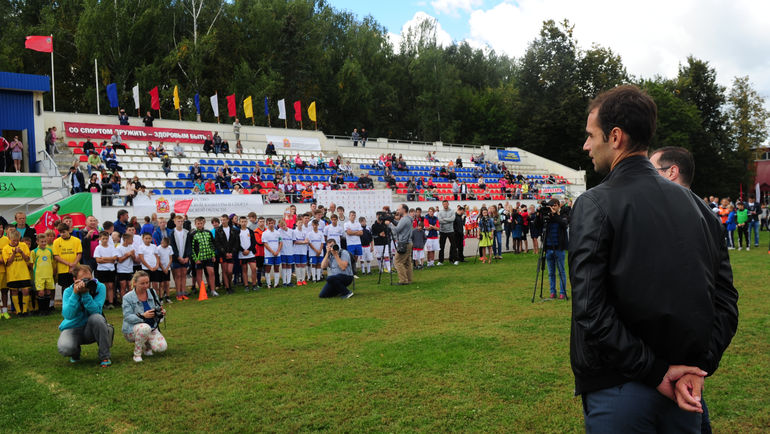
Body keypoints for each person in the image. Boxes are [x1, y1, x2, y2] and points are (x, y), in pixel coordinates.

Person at [570, 85, 739, 432]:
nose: (586, 146)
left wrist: (662, 372)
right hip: (682, 388)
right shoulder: (702, 211)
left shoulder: (595, 203)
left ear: (615, 136)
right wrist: (694, 368)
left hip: (621, 390)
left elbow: (589, 307)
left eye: (590, 136)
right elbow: (726, 302)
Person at [57, 264, 113, 367]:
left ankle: (105, 356)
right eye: (84, 280)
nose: (87, 282)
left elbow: (96, 311)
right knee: (65, 348)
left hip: (91, 328)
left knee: (98, 318)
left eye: (89, 278)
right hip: (73, 327)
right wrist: (75, 294)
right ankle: (75, 352)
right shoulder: (68, 291)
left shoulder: (99, 287)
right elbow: (68, 315)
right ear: (75, 279)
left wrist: (85, 295)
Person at [121, 271, 167, 362]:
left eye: (147, 283)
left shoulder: (152, 292)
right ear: (134, 283)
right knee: (144, 328)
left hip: (152, 327)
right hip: (132, 330)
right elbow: (127, 316)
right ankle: (137, 354)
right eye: (142, 283)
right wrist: (143, 316)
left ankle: (147, 346)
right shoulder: (127, 297)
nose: (146, 286)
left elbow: (157, 307)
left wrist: (161, 312)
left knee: (161, 347)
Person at [3, 229, 32, 316]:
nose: (16, 242)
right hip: (13, 274)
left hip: (24, 273)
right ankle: (18, 311)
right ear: (10, 239)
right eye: (14, 240)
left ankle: (25, 311)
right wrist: (14, 254)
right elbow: (8, 263)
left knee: (26, 291)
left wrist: (21, 252)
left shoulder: (23, 245)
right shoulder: (6, 248)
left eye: (17, 240)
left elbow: (27, 259)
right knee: (14, 291)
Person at [191, 217, 218, 297]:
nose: (200, 225)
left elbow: (212, 244)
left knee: (211, 273)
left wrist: (213, 254)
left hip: (208, 257)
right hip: (199, 258)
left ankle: (213, 290)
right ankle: (202, 291)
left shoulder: (208, 232)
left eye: (201, 223)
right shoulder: (193, 234)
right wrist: (195, 259)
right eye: (198, 223)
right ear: (195, 224)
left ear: (204, 223)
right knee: (199, 274)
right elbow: (191, 248)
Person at [387, 204, 413, 285]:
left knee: (398, 261)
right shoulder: (407, 218)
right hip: (408, 242)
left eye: (399, 209)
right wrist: (392, 221)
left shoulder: (404, 219)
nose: (397, 211)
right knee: (407, 262)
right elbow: (400, 225)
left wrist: (389, 224)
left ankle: (403, 280)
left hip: (404, 243)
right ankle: (408, 279)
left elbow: (396, 230)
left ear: (404, 210)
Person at [214, 214, 239, 294]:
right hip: (222, 254)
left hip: (231, 254)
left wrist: (232, 252)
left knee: (230, 271)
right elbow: (217, 243)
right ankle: (227, 288)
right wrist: (225, 253)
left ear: (228, 220)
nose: (223, 221)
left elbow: (236, 242)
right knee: (224, 271)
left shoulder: (233, 230)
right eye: (222, 220)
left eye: (224, 220)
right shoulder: (218, 230)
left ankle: (230, 285)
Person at [170, 215, 192, 300]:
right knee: (178, 275)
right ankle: (178, 293)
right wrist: (178, 257)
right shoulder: (172, 233)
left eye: (181, 221)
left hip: (185, 257)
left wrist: (187, 257)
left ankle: (183, 292)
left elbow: (188, 245)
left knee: (183, 274)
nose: (180, 223)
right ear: (175, 222)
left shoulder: (186, 232)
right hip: (176, 258)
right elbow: (172, 246)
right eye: (178, 221)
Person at [437, 200, 455, 265]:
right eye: (444, 204)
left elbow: (452, 219)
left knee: (453, 245)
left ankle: (452, 260)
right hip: (442, 231)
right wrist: (448, 220)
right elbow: (439, 220)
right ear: (442, 205)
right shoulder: (440, 212)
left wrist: (444, 219)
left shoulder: (452, 211)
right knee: (441, 246)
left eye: (446, 204)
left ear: (448, 204)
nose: (445, 205)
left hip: (451, 231)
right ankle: (440, 261)